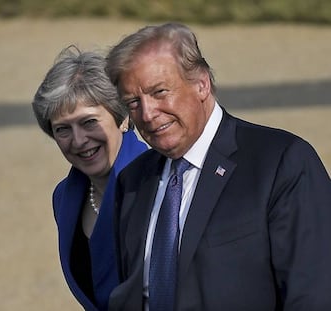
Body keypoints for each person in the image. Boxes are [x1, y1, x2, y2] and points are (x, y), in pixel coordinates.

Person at [105, 22, 331, 310]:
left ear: (201, 84)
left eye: (160, 92)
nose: (147, 114)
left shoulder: (282, 162)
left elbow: (314, 295)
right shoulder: (134, 181)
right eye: (133, 102)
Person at [31, 45, 147, 311]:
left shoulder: (160, 183)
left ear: (124, 118)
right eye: (62, 129)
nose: (79, 140)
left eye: (88, 122)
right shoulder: (65, 197)